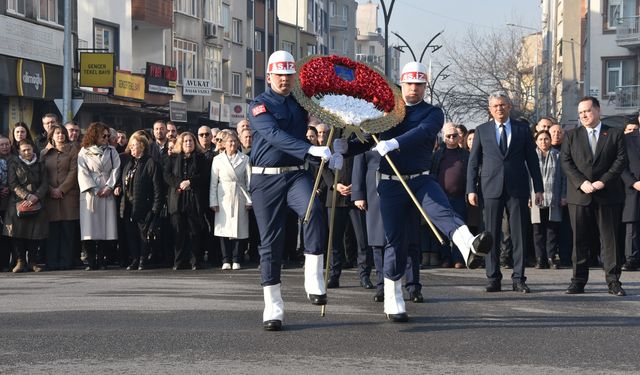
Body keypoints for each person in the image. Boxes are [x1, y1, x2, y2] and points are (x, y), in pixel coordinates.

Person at [343, 61, 493, 322]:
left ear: (425, 86)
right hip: (390, 183)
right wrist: (343, 147)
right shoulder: (387, 111)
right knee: (396, 241)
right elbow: (367, 139)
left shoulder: (432, 113)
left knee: (441, 209)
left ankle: (468, 244)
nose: (414, 88)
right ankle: (393, 296)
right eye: (410, 83)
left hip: (421, 179)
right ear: (402, 83)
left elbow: (422, 132)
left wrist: (394, 142)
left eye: (419, 84)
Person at [248, 50, 337, 331]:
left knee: (314, 210)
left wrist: (339, 148)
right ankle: (273, 306)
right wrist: (310, 149)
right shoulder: (258, 106)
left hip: (296, 174)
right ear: (270, 75)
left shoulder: (300, 102)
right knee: (270, 242)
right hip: (266, 180)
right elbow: (275, 136)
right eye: (280, 75)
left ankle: (313, 278)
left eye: (289, 75)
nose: (284, 80)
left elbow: (328, 114)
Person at [467, 92, 544, 294]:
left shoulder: (522, 128)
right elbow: (473, 162)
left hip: (517, 188)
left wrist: (538, 188)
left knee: (519, 234)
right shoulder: (482, 131)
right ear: (490, 109)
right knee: (490, 234)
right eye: (495, 106)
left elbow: (532, 160)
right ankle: (493, 278)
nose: (499, 109)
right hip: (490, 188)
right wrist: (470, 189)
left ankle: (519, 278)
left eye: (502, 105)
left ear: (509, 106)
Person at [561, 96, 628, 296]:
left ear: (598, 111)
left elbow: (621, 160)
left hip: (608, 195)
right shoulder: (571, 135)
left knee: (610, 240)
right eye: (580, 112)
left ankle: (613, 281)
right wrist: (582, 182)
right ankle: (578, 281)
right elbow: (566, 162)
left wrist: (603, 181)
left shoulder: (614, 134)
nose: (583, 115)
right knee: (579, 240)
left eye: (587, 111)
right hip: (580, 195)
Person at [77, 122, 121, 270]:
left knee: (105, 227)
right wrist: (93, 189)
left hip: (107, 190)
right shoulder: (84, 151)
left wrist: (109, 186)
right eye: (104, 135)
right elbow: (82, 172)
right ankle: (90, 260)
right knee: (89, 227)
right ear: (95, 135)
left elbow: (116, 169)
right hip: (91, 192)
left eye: (108, 135)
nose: (107, 138)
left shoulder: (112, 151)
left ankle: (102, 259)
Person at [118, 132, 164, 271]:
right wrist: (119, 188)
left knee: (143, 234)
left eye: (134, 146)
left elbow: (157, 188)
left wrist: (155, 208)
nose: (131, 148)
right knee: (131, 234)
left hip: (144, 205)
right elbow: (124, 181)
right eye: (130, 146)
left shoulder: (151, 163)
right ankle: (135, 258)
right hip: (128, 205)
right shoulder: (129, 163)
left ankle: (143, 259)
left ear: (143, 146)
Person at [164, 132, 207, 271]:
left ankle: (195, 260)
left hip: (194, 199)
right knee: (178, 231)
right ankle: (179, 261)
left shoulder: (201, 158)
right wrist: (180, 183)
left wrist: (190, 182)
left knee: (194, 231)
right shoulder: (173, 158)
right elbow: (167, 175)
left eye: (191, 141)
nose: (188, 143)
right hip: (177, 198)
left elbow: (204, 176)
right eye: (186, 141)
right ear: (181, 144)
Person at [3, 139, 48, 273]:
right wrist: (27, 196)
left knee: (35, 233)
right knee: (17, 233)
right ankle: (20, 261)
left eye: (29, 149)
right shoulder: (14, 163)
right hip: (17, 202)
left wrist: (36, 196)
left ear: (33, 149)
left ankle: (32, 262)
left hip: (37, 202)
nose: (27, 152)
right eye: (24, 150)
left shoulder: (40, 164)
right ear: (19, 151)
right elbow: (13, 184)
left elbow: (45, 183)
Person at [209, 130, 252, 270]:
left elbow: (249, 181)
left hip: (239, 194)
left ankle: (236, 258)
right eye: (229, 141)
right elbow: (213, 183)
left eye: (234, 141)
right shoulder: (218, 159)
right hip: (223, 196)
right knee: (223, 229)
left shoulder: (245, 159)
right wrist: (213, 201)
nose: (232, 144)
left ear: (238, 143)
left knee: (239, 228)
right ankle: (226, 259)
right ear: (225, 144)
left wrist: (249, 200)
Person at [431, 122, 470, 269]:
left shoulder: (466, 154)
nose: (452, 138)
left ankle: (458, 258)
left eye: (455, 135)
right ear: (444, 138)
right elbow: (433, 173)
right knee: (443, 229)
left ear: (459, 137)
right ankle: (446, 257)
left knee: (461, 228)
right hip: (441, 197)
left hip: (460, 197)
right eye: (449, 136)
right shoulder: (437, 155)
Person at [40, 125, 79, 270]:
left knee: (67, 230)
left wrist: (61, 189)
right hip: (50, 197)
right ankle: (52, 261)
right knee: (53, 231)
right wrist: (50, 190)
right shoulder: (44, 153)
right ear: (51, 135)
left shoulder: (72, 150)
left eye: (63, 133)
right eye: (57, 133)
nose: (60, 135)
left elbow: (73, 171)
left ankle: (66, 261)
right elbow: (41, 174)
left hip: (68, 196)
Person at [530, 130, 566, 270]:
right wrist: (529, 197)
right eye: (540, 139)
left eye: (546, 139)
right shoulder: (531, 156)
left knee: (552, 230)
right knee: (537, 230)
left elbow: (564, 178)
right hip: (535, 196)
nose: (543, 142)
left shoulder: (558, 155)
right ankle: (540, 259)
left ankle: (551, 258)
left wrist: (564, 195)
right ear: (536, 141)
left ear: (550, 140)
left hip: (554, 196)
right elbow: (527, 178)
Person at [621, 123, 640, 271]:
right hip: (633, 188)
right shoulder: (627, 139)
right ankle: (631, 259)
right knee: (631, 226)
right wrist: (633, 183)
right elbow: (621, 165)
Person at [0, 135, 11, 271]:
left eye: (6, 144)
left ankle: (5, 263)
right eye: (1, 145)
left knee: (8, 234)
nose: (4, 147)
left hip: (10, 201)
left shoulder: (15, 159)